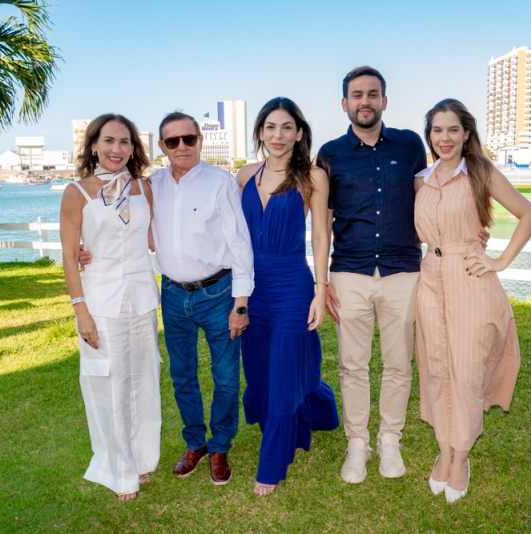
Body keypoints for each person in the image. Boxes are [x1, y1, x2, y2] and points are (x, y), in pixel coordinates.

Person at [80, 112, 254, 485]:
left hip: (218, 293)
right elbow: (124, 228)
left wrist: (241, 303)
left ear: (199, 141)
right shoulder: (150, 185)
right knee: (182, 375)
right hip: (173, 294)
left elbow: (240, 243)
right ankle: (195, 442)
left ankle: (220, 446)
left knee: (225, 377)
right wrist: (87, 247)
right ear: (161, 146)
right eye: (172, 141)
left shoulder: (220, 182)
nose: (181, 147)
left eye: (189, 139)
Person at [414, 98, 531, 503]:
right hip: (429, 280)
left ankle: (462, 456)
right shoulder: (423, 177)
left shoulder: (481, 171)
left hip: (469, 279)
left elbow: (529, 214)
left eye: (453, 129)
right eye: (437, 130)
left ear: (466, 133)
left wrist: (498, 260)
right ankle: (444, 450)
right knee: (435, 368)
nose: (444, 138)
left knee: (465, 372)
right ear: (428, 135)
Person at [317, 66, 430, 484]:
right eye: (357, 95)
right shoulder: (330, 153)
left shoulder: (411, 144)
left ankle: (390, 441)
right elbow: (323, 223)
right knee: (352, 365)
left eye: (373, 93)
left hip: (404, 270)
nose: (365, 101)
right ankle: (356, 443)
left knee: (399, 363)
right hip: (350, 272)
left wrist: (467, 228)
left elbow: (429, 197)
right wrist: (322, 281)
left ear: (385, 100)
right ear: (344, 103)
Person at [235, 98, 340, 496]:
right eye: (270, 127)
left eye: (286, 127)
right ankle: (317, 409)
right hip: (250, 287)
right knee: (260, 369)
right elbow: (219, 225)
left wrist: (321, 289)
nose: (278, 136)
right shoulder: (244, 175)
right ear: (260, 131)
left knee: (283, 371)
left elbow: (320, 236)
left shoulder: (312, 176)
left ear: (299, 132)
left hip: (292, 286)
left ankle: (272, 462)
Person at [60, 113, 161, 502]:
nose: (117, 149)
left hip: (141, 300)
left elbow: (152, 240)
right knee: (109, 384)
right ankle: (119, 470)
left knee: (144, 382)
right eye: (109, 141)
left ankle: (140, 459)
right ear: (94, 146)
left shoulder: (143, 189)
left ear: (133, 148)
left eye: (125, 142)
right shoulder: (77, 193)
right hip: (99, 302)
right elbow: (71, 257)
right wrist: (80, 309)